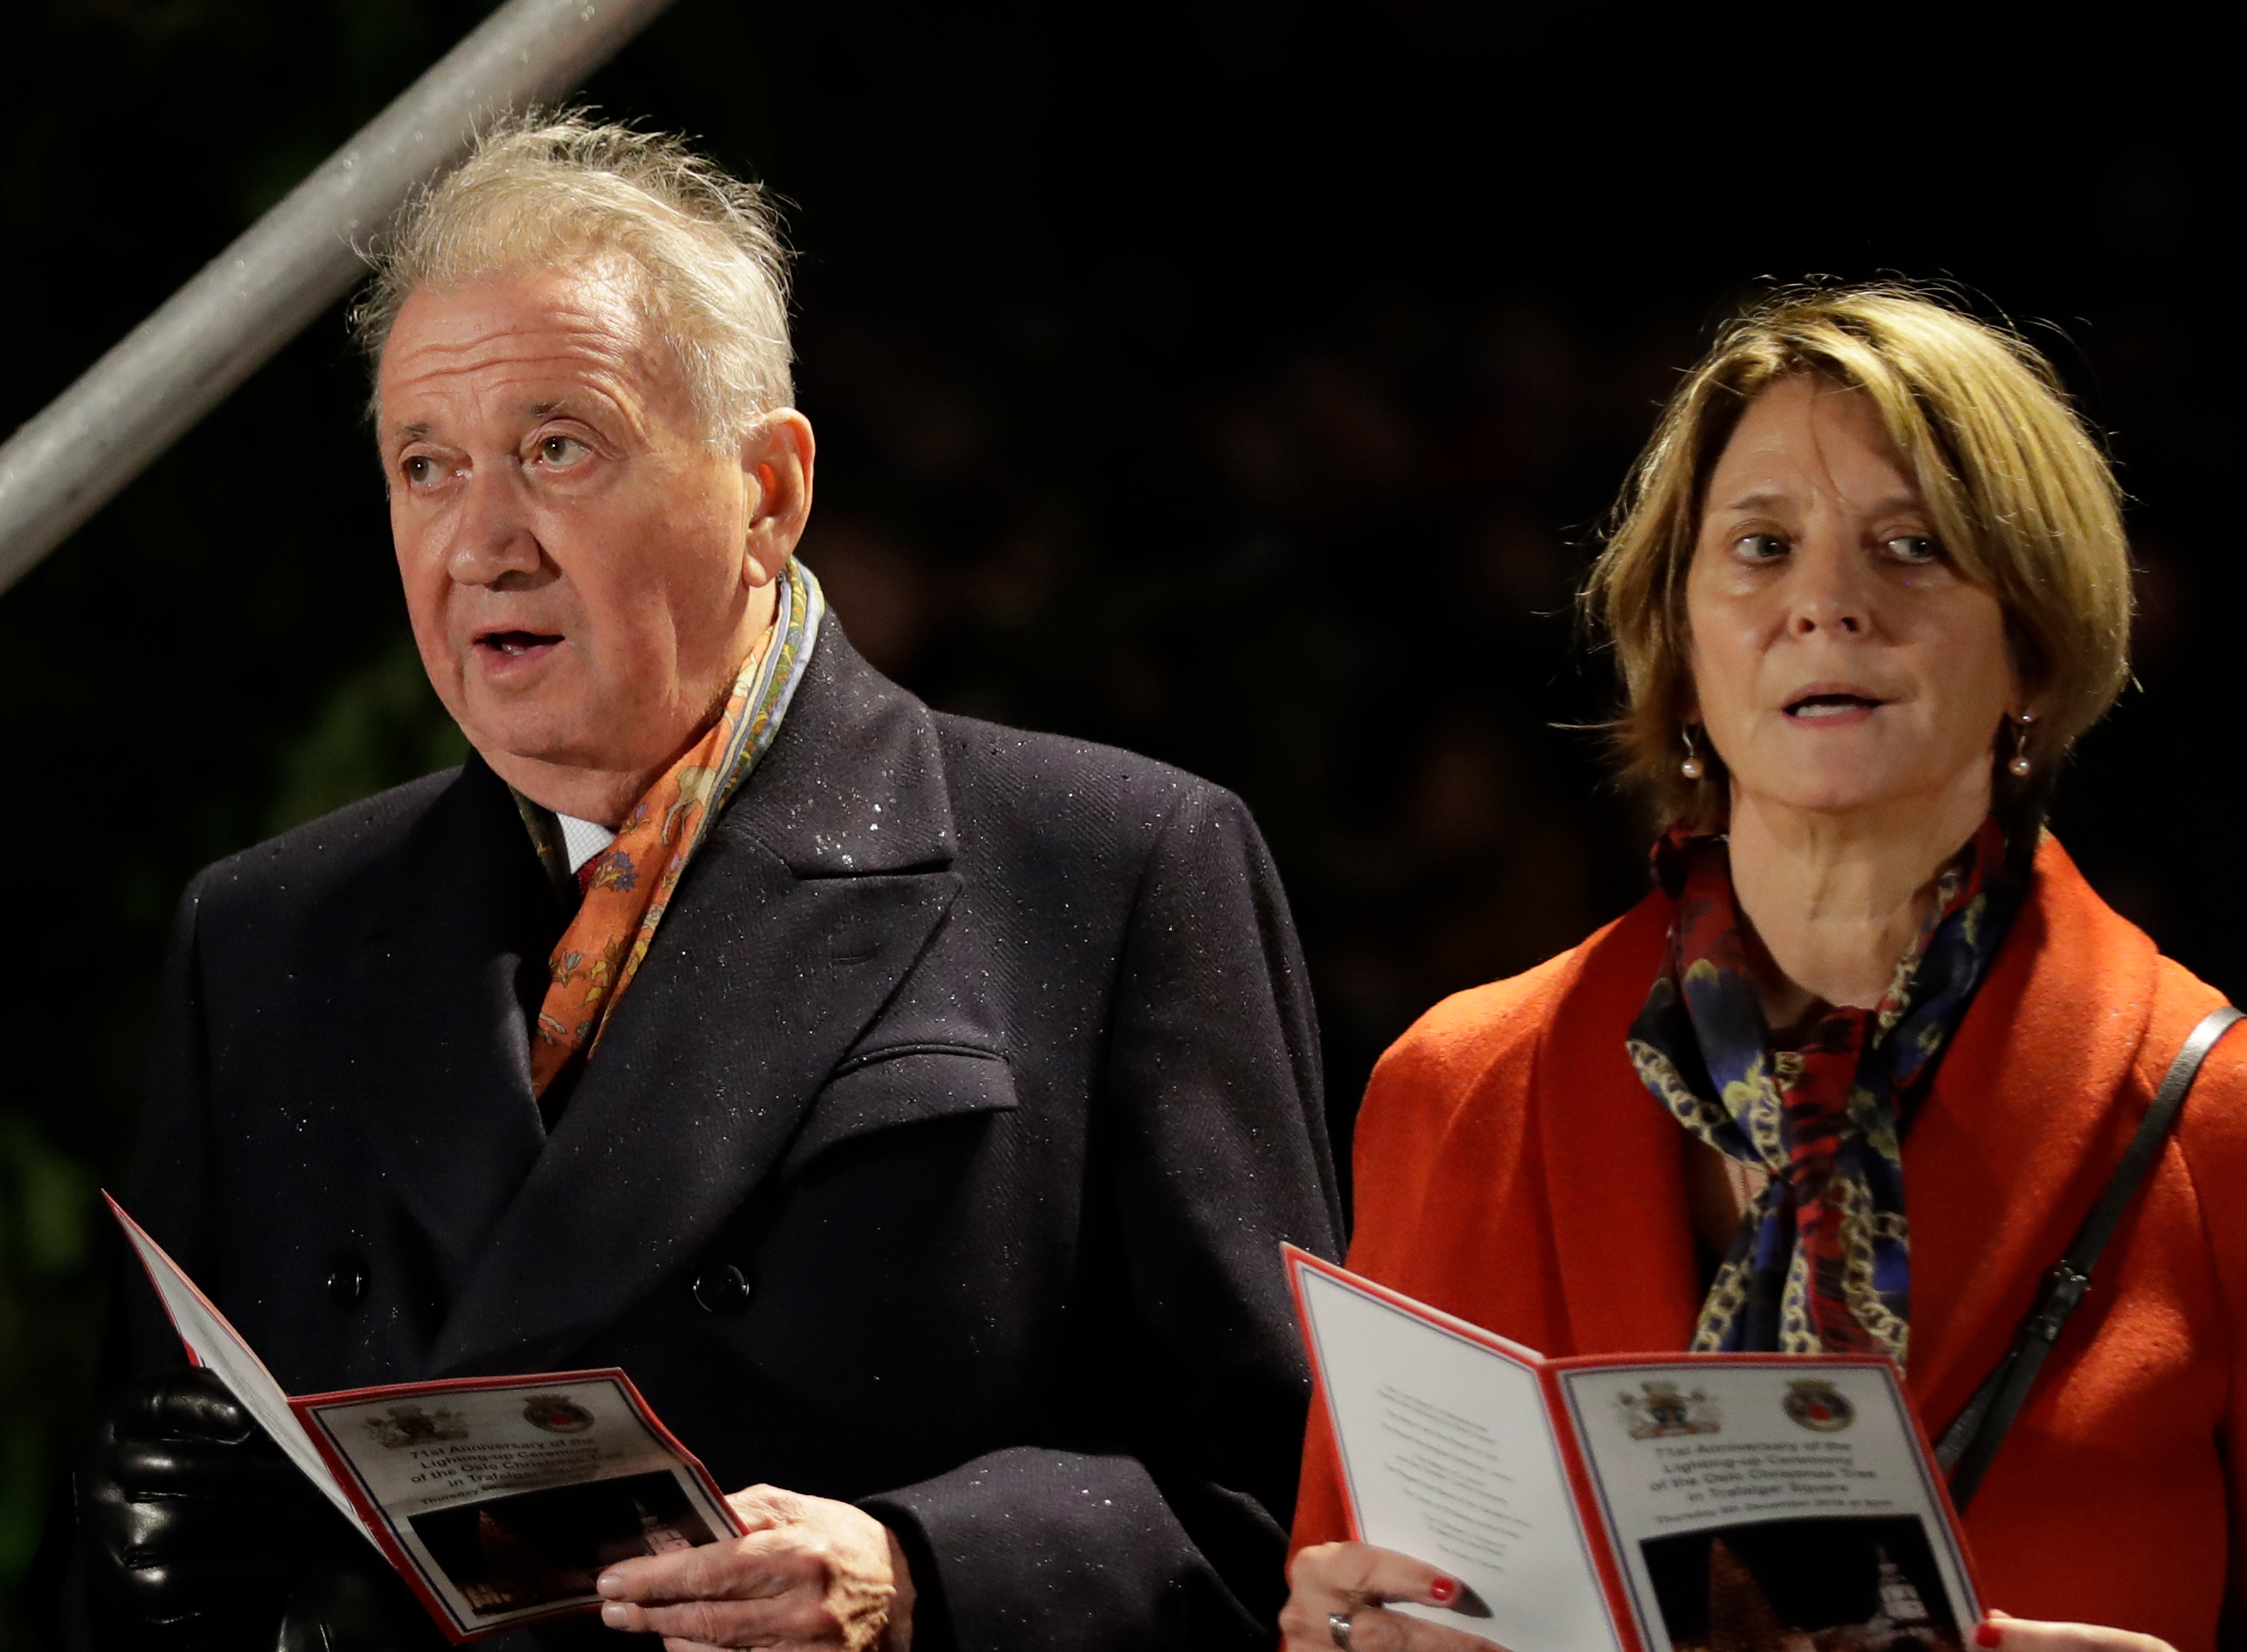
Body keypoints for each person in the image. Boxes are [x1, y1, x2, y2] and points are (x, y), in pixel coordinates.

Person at [73, 113, 1341, 1652]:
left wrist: (920, 1572)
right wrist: (167, 1559)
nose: (480, 543)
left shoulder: (1112, 865)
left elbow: (1285, 1513)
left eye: (558, 447)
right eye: (425, 466)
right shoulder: (267, 934)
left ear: (768, 490)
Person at [1279, 287, 2247, 1651]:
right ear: (1680, 642)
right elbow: (1356, 1582)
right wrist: (1336, 1631)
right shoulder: (1457, 1087)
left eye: (1913, 547)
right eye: (1760, 546)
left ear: (2030, 647)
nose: (1826, 604)